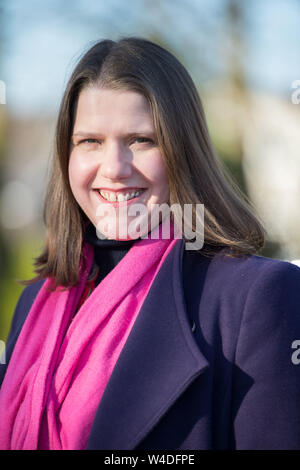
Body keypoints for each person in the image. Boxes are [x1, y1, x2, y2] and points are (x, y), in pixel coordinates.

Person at [0, 36, 300, 451]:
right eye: (90, 141)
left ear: (183, 150)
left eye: (141, 140)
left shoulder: (257, 297)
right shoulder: (35, 304)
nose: (114, 168)